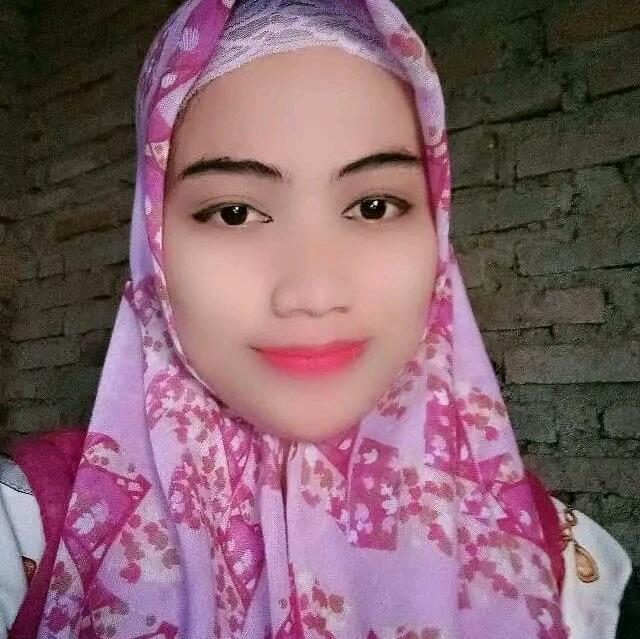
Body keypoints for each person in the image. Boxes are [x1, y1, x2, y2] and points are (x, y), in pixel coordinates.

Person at [0, 0, 632, 637]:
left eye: (375, 205)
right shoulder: (29, 530)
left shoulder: (561, 569)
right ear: (153, 242)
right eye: (234, 213)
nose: (313, 292)